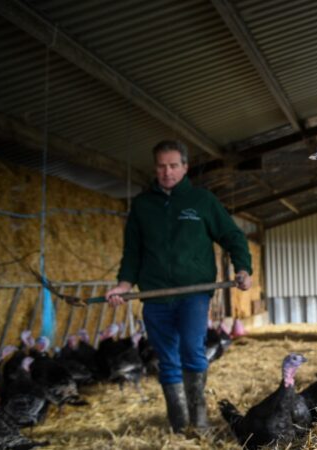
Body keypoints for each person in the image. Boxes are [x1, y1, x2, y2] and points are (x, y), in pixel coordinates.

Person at [105, 139, 252, 433]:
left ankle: (199, 419)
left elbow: (232, 236)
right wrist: (123, 285)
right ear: (155, 168)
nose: (167, 172)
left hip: (193, 293)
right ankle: (178, 422)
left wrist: (243, 268)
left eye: (173, 165)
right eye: (161, 166)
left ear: (185, 167)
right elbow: (132, 252)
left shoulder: (202, 201)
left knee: (192, 350)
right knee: (167, 359)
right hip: (155, 296)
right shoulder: (143, 206)